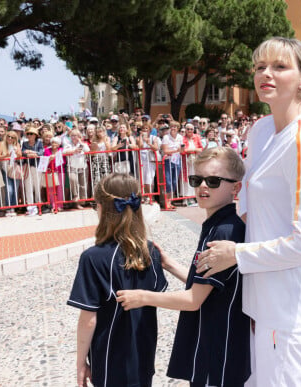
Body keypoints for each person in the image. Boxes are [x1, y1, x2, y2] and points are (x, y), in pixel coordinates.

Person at [194, 37, 301, 386]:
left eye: (279, 66)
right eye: (259, 67)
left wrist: (236, 253)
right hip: (263, 298)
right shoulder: (260, 132)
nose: (265, 74)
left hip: (292, 300)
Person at [116, 147, 251, 386]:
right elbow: (205, 284)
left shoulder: (224, 230)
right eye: (197, 180)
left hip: (219, 348)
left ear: (236, 187)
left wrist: (143, 297)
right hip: (213, 342)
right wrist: (170, 264)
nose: (202, 187)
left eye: (213, 180)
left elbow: (193, 299)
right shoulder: (216, 224)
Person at [67, 173, 168, 387]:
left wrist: (80, 362)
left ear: (102, 209)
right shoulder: (150, 252)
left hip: (110, 359)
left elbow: (88, 319)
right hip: (143, 354)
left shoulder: (93, 258)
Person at [0, 131, 23, 217]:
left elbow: (20, 155)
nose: (10, 139)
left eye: (12, 137)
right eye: (9, 136)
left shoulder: (17, 144)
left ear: (15, 138)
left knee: (15, 189)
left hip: (15, 169)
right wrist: (6, 155)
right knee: (9, 190)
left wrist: (16, 152)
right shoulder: (2, 144)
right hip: (5, 169)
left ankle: (13, 208)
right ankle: (8, 207)